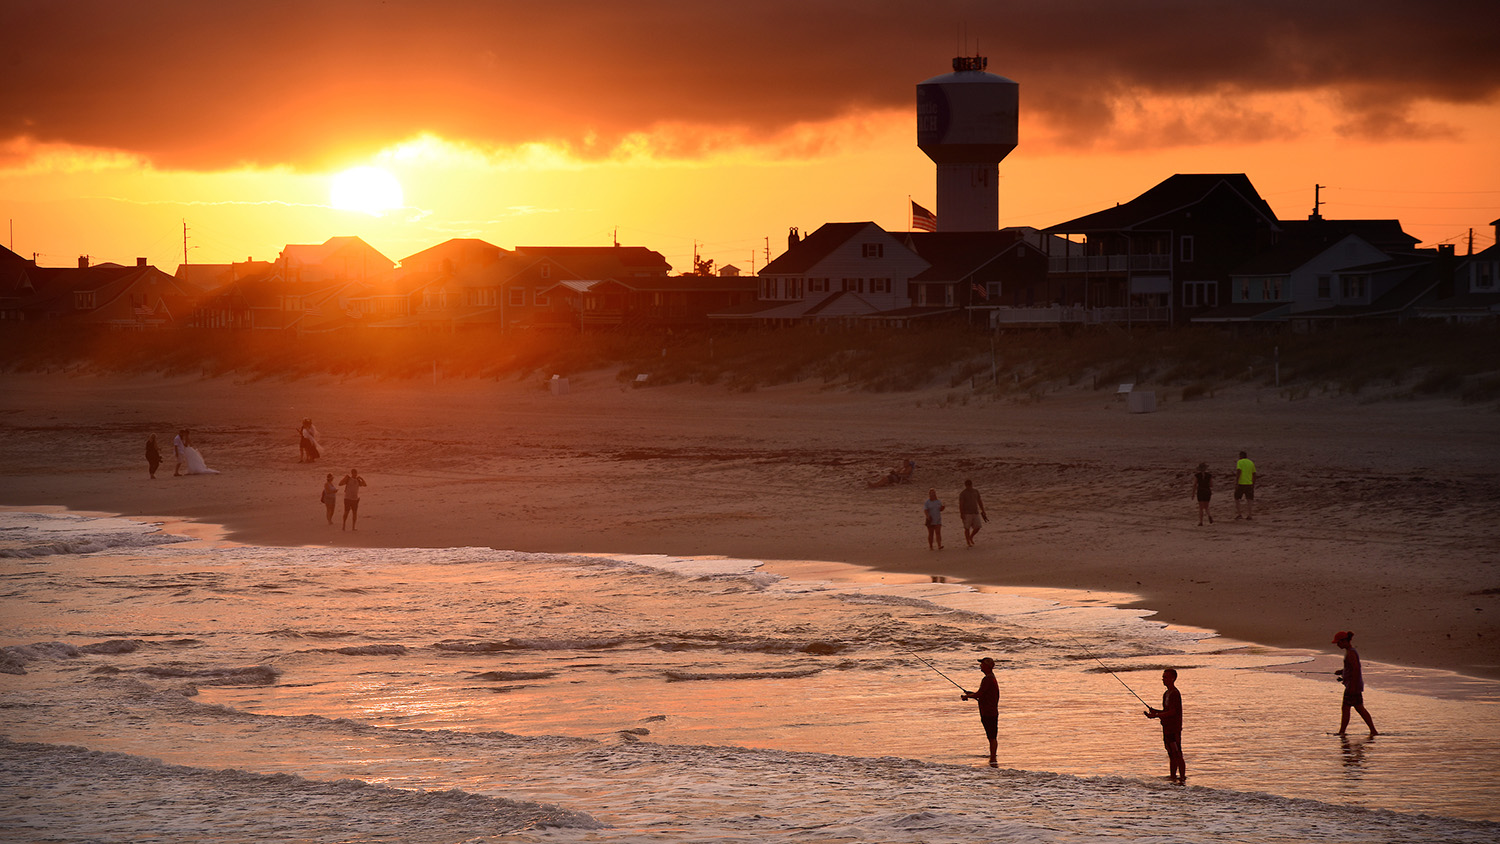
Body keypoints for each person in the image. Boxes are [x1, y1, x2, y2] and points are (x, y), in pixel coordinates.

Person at [1333, 631, 1378, 737]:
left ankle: (1342, 732)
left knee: (1350, 708)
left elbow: (1356, 670)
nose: (1337, 645)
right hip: (1353, 685)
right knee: (1356, 708)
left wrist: (1352, 686)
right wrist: (1342, 671)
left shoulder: (1351, 653)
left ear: (1344, 641)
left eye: (1338, 643)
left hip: (1352, 686)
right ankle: (1372, 731)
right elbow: (1351, 668)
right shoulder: (1351, 652)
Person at [1144, 668, 1186, 781]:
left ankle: (1182, 777)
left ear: (1173, 678)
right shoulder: (1166, 694)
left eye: (1166, 677)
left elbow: (1173, 712)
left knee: (1177, 753)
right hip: (1166, 728)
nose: (1163, 679)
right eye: (1163, 677)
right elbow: (1166, 710)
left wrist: (1156, 715)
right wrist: (1155, 711)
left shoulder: (1174, 693)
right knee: (1171, 754)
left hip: (1174, 728)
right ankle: (1173, 776)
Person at [960, 656, 1000, 768]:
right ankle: (993, 756)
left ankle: (993, 757)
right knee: (991, 736)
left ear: (987, 666)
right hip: (990, 710)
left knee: (991, 736)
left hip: (988, 712)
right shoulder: (990, 678)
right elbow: (982, 694)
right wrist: (971, 694)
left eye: (982, 664)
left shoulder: (987, 679)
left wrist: (967, 696)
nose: (980, 666)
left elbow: (979, 694)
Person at [958, 479, 989, 546]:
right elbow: (961, 504)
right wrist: (961, 513)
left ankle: (971, 537)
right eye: (967, 486)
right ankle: (968, 542)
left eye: (970, 485)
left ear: (971, 485)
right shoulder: (963, 493)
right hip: (967, 513)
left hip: (975, 512)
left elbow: (979, 501)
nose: (969, 487)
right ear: (965, 486)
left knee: (978, 527)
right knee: (967, 528)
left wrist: (983, 510)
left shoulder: (975, 491)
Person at [1234, 450, 1256, 520]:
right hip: (1249, 483)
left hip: (1241, 483)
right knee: (1249, 499)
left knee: (1237, 498)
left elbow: (1239, 471)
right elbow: (1254, 473)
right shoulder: (1251, 462)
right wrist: (1253, 482)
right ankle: (1250, 514)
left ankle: (1239, 514)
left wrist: (1236, 481)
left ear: (1240, 456)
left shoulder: (1240, 462)